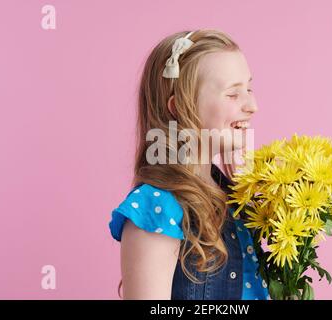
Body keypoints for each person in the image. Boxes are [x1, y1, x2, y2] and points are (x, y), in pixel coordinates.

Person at [108, 29, 270, 300]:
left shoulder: (235, 200)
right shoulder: (157, 206)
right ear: (179, 107)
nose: (252, 105)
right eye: (232, 94)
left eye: (249, 89)